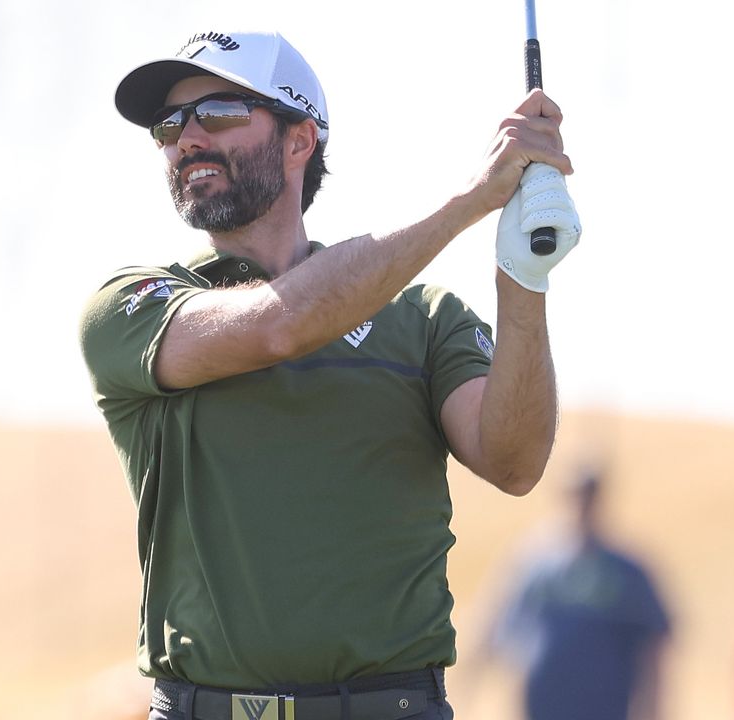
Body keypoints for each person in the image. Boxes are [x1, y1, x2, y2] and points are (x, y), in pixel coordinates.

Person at [78, 29, 582, 720]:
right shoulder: (133, 306)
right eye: (169, 125)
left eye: (218, 113)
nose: (186, 137)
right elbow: (280, 324)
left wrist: (524, 274)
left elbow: (516, 461)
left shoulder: (422, 318)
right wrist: (472, 198)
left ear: (298, 140)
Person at [475, 471, 671, 720]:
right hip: (542, 706)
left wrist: (652, 711)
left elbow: (652, 646)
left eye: (588, 497)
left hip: (604, 708)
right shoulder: (535, 563)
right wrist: (472, 676)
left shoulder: (626, 572)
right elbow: (496, 622)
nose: (581, 506)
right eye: (575, 496)